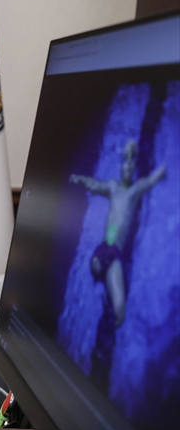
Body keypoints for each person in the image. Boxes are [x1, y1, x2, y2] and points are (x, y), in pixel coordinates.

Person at [69, 139, 166, 326]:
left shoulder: (135, 190)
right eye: (125, 166)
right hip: (103, 249)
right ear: (121, 168)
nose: (128, 169)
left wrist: (163, 171)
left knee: (120, 309)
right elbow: (95, 185)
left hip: (114, 254)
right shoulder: (113, 187)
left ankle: (109, 305)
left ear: (134, 170)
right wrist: (80, 179)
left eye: (131, 167)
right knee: (98, 267)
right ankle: (102, 287)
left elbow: (151, 180)